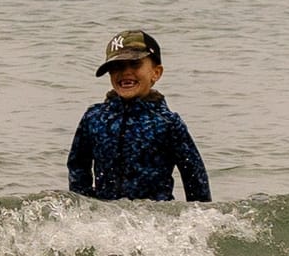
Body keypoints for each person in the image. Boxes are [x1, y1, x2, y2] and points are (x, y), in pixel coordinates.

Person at [67, 29, 211, 202]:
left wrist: (199, 216)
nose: (126, 72)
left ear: (156, 73)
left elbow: (194, 177)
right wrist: (86, 205)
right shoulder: (95, 118)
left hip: (154, 215)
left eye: (135, 64)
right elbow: (78, 166)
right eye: (117, 66)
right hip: (106, 214)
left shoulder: (168, 123)